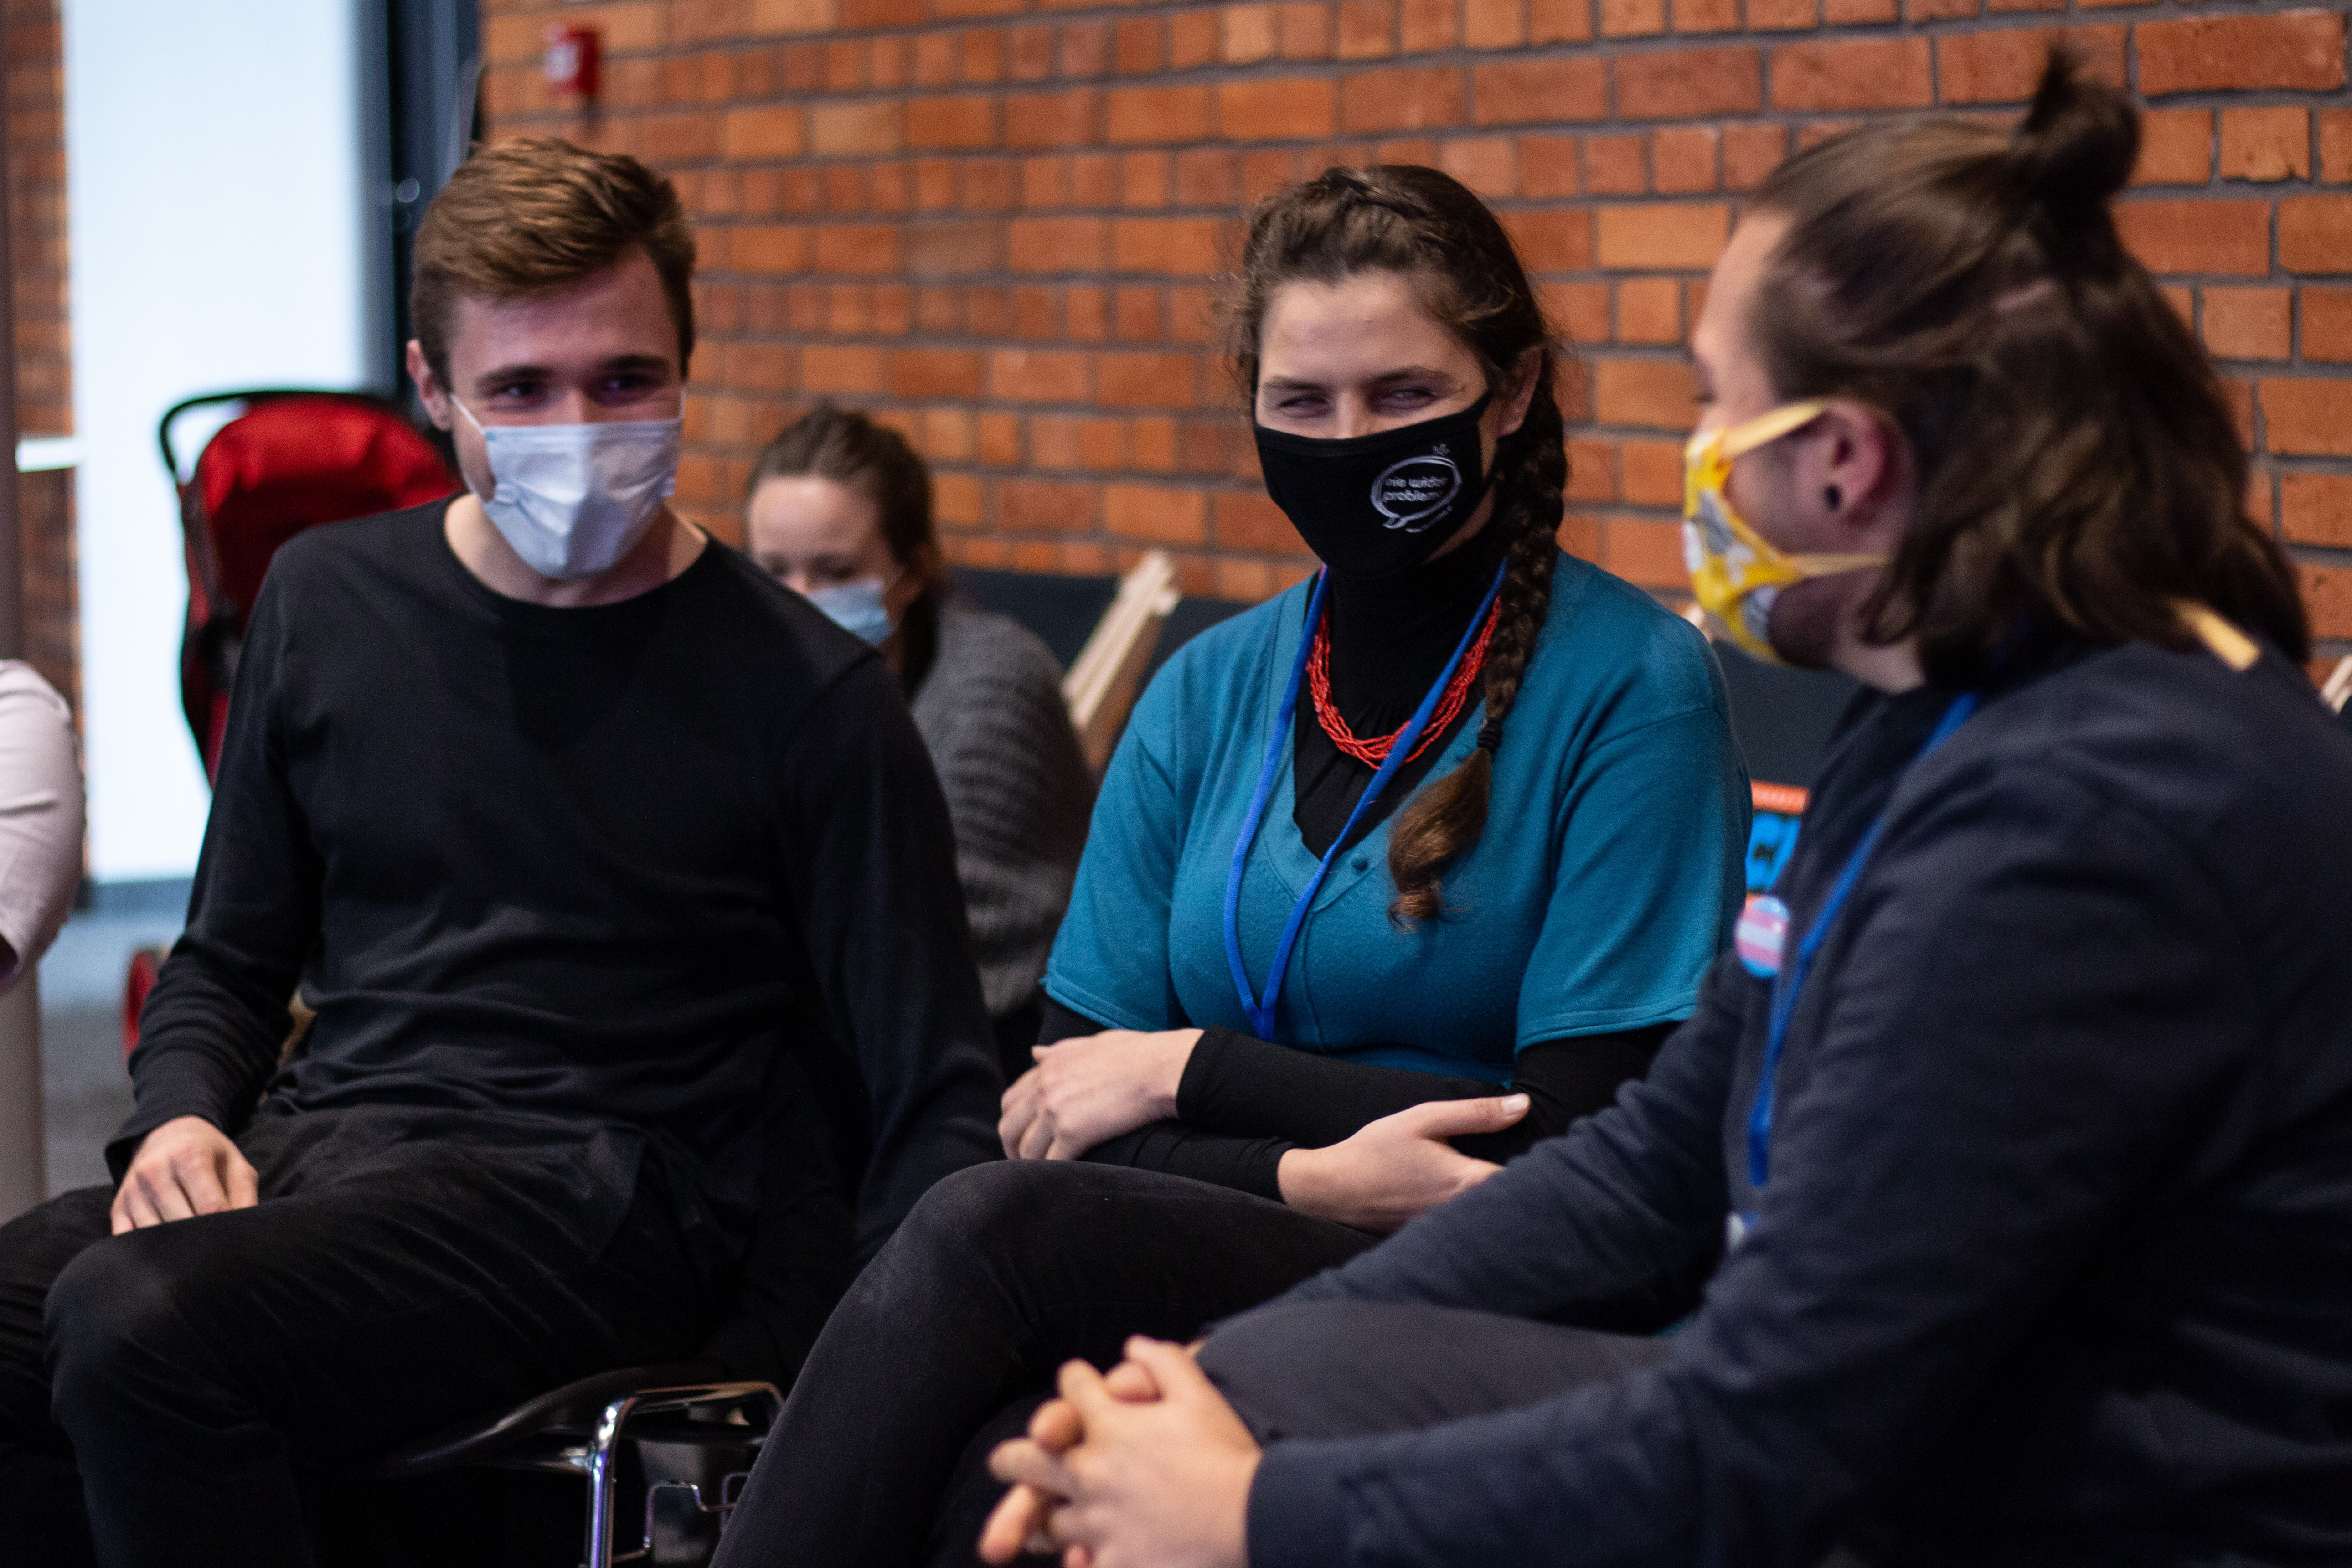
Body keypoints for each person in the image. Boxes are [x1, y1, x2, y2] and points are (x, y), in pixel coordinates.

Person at [973, 54, 2352, 1567]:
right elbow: (1657, 1162)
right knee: (1217, 1401)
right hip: (1898, 1461)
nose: (1698, 459)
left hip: (2064, 1520)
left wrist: (1247, 1511)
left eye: (1716, 402)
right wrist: (1208, 1382)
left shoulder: (2084, 823)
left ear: (1845, 460)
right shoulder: (1931, 720)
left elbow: (1773, 1439)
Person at [713, 165, 1749, 1567]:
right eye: (1302, 404)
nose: (1350, 442)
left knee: (986, 1235)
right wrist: (1309, 1172)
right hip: (1241, 1243)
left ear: (1511, 393)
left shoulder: (1634, 684)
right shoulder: (1208, 690)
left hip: (1499, 1279)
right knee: (993, 1476)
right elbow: (1061, 1109)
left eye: (1402, 395)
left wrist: (1188, 1069)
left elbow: (1573, 1140)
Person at [0, 137, 1001, 1568]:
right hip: (332, 1151)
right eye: (521, 391)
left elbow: (932, 1094)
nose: (577, 431)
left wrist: (862, 1420)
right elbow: (227, 960)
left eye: (625, 381)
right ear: (431, 387)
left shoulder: (812, 695)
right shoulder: (326, 601)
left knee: (132, 1320)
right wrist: (174, 1120)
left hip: (607, 1198)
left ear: (688, 367)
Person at [746, 406, 1094, 1079]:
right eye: (773, 571)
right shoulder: (745, 681)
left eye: (834, 571)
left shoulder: (994, 683)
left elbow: (925, 923)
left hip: (992, 1045)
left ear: (909, 573)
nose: (798, 601)